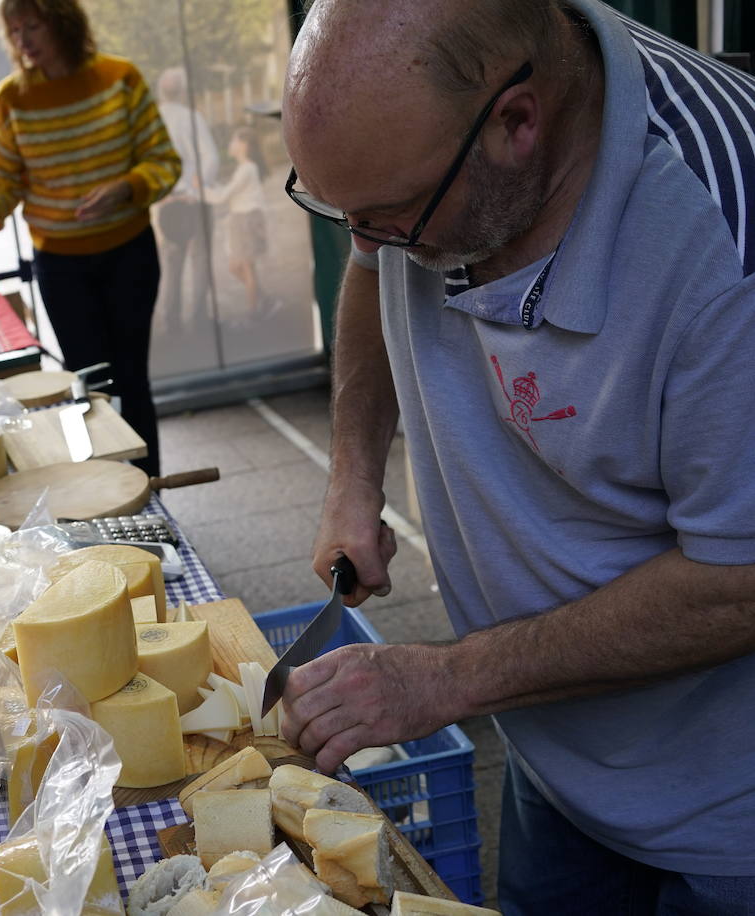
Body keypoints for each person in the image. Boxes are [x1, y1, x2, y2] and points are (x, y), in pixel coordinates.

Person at [281, 0, 755, 910]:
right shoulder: (441, 146)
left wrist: (445, 678)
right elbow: (372, 265)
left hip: (725, 816)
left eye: (389, 217)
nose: (369, 244)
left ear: (517, 122)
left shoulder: (723, 236)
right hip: (550, 740)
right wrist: (353, 476)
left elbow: (739, 576)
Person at [0, 0, 180, 477]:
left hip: (129, 256)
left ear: (62, 21)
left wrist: (127, 187)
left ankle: (151, 492)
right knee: (88, 385)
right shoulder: (13, 98)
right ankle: (104, 490)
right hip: (61, 267)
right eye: (14, 29)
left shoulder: (118, 78)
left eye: (32, 25)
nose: (22, 39)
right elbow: (1, 181)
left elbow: (165, 163)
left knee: (131, 379)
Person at [154, 66, 218, 335]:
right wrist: (195, 189)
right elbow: (210, 157)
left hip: (168, 204)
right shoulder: (192, 118)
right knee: (200, 262)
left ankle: (172, 322)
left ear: (160, 90)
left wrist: (163, 195)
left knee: (172, 264)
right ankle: (199, 319)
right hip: (195, 202)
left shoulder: (153, 121)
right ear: (182, 91)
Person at [207, 126, 267, 321]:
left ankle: (253, 312)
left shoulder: (247, 169)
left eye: (233, 141)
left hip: (246, 220)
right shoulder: (244, 169)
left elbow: (223, 197)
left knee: (245, 267)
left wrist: (201, 189)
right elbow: (229, 191)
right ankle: (262, 299)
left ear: (243, 145)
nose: (230, 145)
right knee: (236, 266)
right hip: (240, 219)